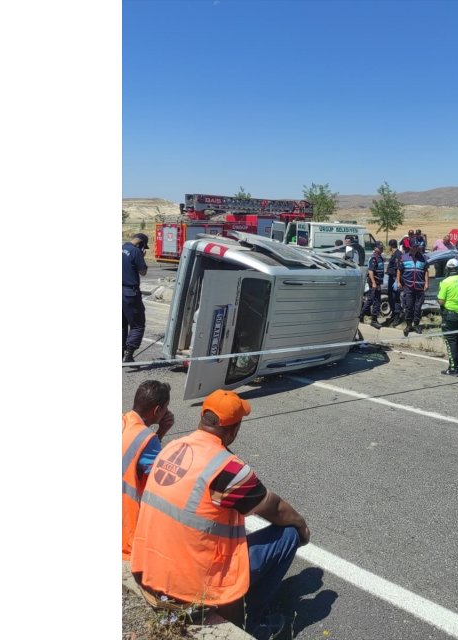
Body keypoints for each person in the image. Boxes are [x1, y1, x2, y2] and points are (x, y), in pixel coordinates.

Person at [131, 390, 309, 636]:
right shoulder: (228, 469)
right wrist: (302, 527)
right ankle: (252, 623)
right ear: (234, 430)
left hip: (147, 572)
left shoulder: (173, 447)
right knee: (288, 534)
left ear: (203, 417)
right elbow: (275, 507)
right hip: (189, 589)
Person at [122, 381, 174, 563]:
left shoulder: (123, 420)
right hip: (125, 528)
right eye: (166, 408)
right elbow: (163, 481)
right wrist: (160, 433)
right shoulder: (147, 439)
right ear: (157, 410)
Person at [123, 233, 149, 364]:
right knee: (138, 325)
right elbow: (143, 272)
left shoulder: (121, 248)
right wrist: (142, 257)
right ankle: (129, 353)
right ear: (142, 244)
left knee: (122, 324)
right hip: (130, 293)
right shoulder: (136, 252)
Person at [397, 244, 429, 336]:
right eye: (413, 246)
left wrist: (426, 283)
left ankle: (416, 325)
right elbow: (399, 270)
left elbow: (426, 270)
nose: (414, 248)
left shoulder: (423, 257)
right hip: (408, 286)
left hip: (419, 287)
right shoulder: (404, 257)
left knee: (418, 307)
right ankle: (408, 325)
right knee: (409, 306)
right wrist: (398, 281)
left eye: (416, 246)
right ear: (410, 247)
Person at [361, 242, 386, 328]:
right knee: (373, 301)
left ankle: (363, 317)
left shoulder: (380, 257)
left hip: (377, 283)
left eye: (382, 247)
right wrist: (374, 283)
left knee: (374, 301)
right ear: (375, 248)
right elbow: (370, 271)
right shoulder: (374, 258)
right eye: (379, 248)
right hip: (373, 283)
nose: (381, 249)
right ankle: (369, 319)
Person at [386, 242, 404, 327]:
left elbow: (398, 269)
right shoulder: (394, 254)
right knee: (391, 297)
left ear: (390, 246)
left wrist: (397, 281)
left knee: (395, 297)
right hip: (391, 278)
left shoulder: (398, 254)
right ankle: (394, 313)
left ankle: (397, 315)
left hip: (395, 279)